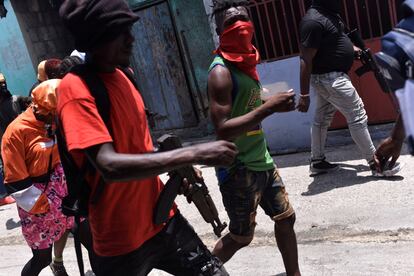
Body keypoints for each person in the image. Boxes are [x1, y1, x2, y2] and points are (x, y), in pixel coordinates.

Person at [58, 0, 238, 275]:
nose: (132, 39)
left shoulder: (125, 76)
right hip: (121, 242)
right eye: (122, 32)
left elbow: (138, 146)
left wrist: (181, 173)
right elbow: (109, 165)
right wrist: (196, 153)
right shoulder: (76, 90)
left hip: (163, 221)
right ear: (97, 37)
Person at [207, 1, 301, 275]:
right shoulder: (221, 71)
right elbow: (222, 128)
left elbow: (246, 103)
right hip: (237, 167)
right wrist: (269, 107)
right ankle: (199, 271)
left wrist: (271, 100)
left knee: (286, 218)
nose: (239, 26)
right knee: (240, 237)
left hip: (262, 159)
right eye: (230, 23)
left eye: (243, 20)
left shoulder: (247, 63)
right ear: (219, 31)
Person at [297, 0, 400, 177]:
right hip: (330, 79)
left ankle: (317, 162)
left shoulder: (330, 14)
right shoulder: (313, 21)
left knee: (321, 119)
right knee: (357, 114)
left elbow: (338, 39)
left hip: (331, 78)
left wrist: (355, 50)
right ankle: (375, 163)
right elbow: (305, 59)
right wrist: (304, 94)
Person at [1, 80, 73, 276]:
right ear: (42, 107)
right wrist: (43, 206)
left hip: (65, 191)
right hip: (36, 202)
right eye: (55, 113)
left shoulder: (57, 122)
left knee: (91, 238)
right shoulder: (16, 132)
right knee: (42, 258)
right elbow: (15, 178)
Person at [0, 73, 31, 206]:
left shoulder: (15, 99)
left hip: (12, 142)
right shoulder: (14, 100)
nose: (3, 87)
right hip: (15, 141)